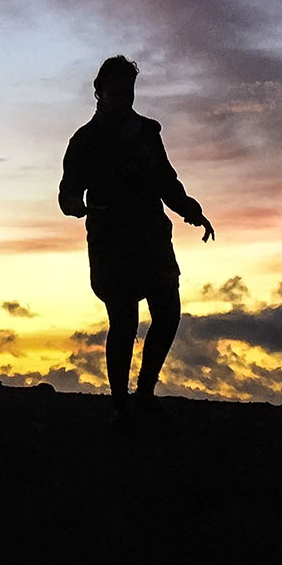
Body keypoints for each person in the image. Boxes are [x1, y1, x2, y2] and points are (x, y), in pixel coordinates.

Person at [59, 55, 213, 426]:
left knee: (168, 313)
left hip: (151, 236)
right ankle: (120, 405)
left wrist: (191, 210)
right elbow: (67, 196)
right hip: (112, 242)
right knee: (124, 323)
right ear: (99, 93)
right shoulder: (85, 140)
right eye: (117, 90)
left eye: (129, 90)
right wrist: (84, 207)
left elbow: (166, 180)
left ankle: (144, 393)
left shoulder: (147, 132)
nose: (124, 97)